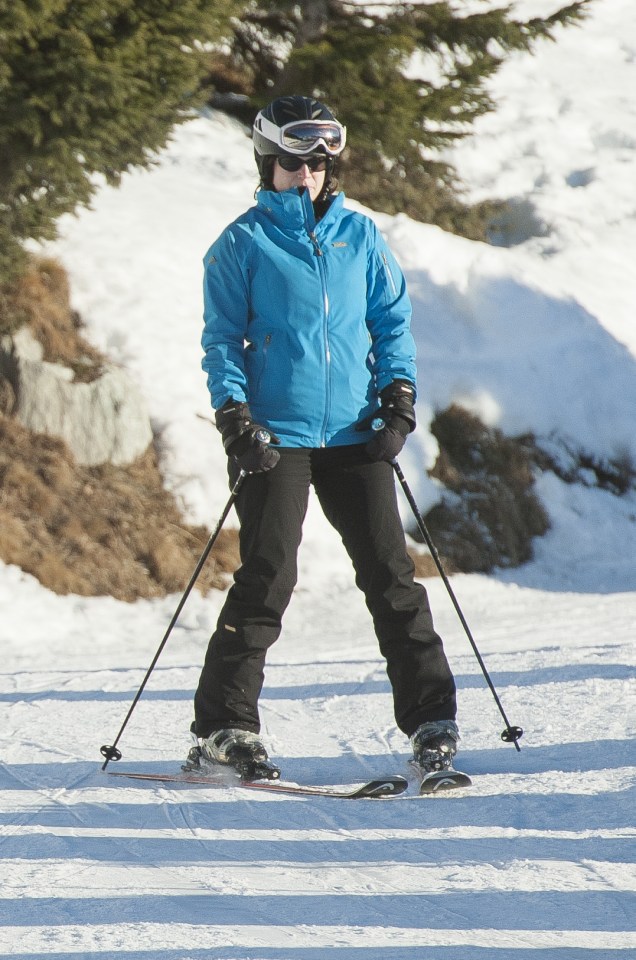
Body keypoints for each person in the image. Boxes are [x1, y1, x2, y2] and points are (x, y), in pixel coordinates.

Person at [187, 95, 460, 780]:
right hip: (274, 438)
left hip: (355, 432)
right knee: (267, 577)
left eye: (316, 161)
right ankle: (225, 727)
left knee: (392, 578)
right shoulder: (241, 244)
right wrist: (234, 418)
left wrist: (397, 399)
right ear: (266, 163)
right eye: (290, 162)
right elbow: (222, 341)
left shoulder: (360, 237)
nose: (304, 173)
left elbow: (392, 323)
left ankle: (432, 719)